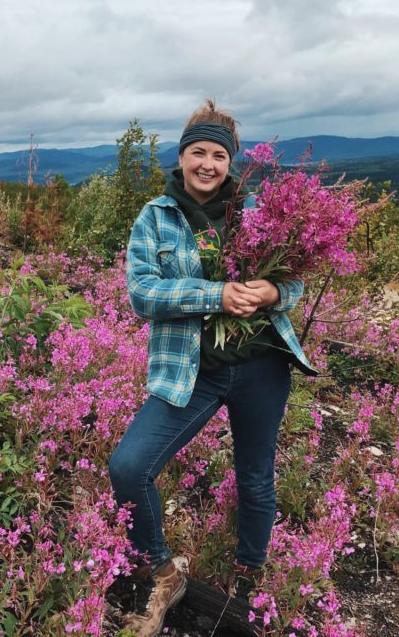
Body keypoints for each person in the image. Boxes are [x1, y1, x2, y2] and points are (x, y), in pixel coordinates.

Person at [109, 100, 316, 636]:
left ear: (231, 162)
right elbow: (142, 293)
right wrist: (215, 295)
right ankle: (162, 570)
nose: (207, 163)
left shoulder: (256, 212)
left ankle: (249, 573)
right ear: (181, 157)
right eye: (197, 152)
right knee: (130, 468)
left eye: (218, 154)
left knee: (255, 477)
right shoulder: (155, 216)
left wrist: (274, 289)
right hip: (190, 370)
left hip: (261, 366)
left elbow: (295, 280)